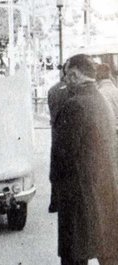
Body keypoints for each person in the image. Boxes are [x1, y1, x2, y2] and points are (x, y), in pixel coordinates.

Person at [50, 54, 118, 265]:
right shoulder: (102, 101)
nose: (65, 81)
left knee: (74, 255)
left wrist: (56, 191)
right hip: (103, 191)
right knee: (106, 251)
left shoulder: (75, 105)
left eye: (67, 76)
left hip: (77, 196)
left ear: (74, 75)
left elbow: (61, 156)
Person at [47, 62, 70, 213]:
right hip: (69, 131)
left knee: (56, 166)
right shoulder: (73, 91)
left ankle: (55, 200)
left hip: (56, 133)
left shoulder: (52, 90)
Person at [96, 63, 118, 130]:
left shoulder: (98, 93)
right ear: (109, 74)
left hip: (108, 130)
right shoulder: (116, 90)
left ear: (97, 76)